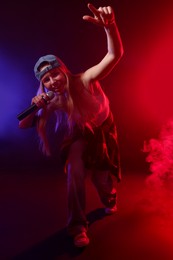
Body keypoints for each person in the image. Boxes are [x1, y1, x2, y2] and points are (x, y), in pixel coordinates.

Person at [19, 3, 124, 247]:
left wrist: (110, 27)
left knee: (103, 182)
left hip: (104, 131)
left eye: (54, 74)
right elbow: (23, 124)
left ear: (63, 70)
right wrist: (36, 105)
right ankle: (77, 227)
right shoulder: (51, 100)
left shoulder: (85, 80)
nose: (52, 81)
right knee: (74, 172)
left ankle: (109, 199)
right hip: (80, 135)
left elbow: (114, 56)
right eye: (46, 80)